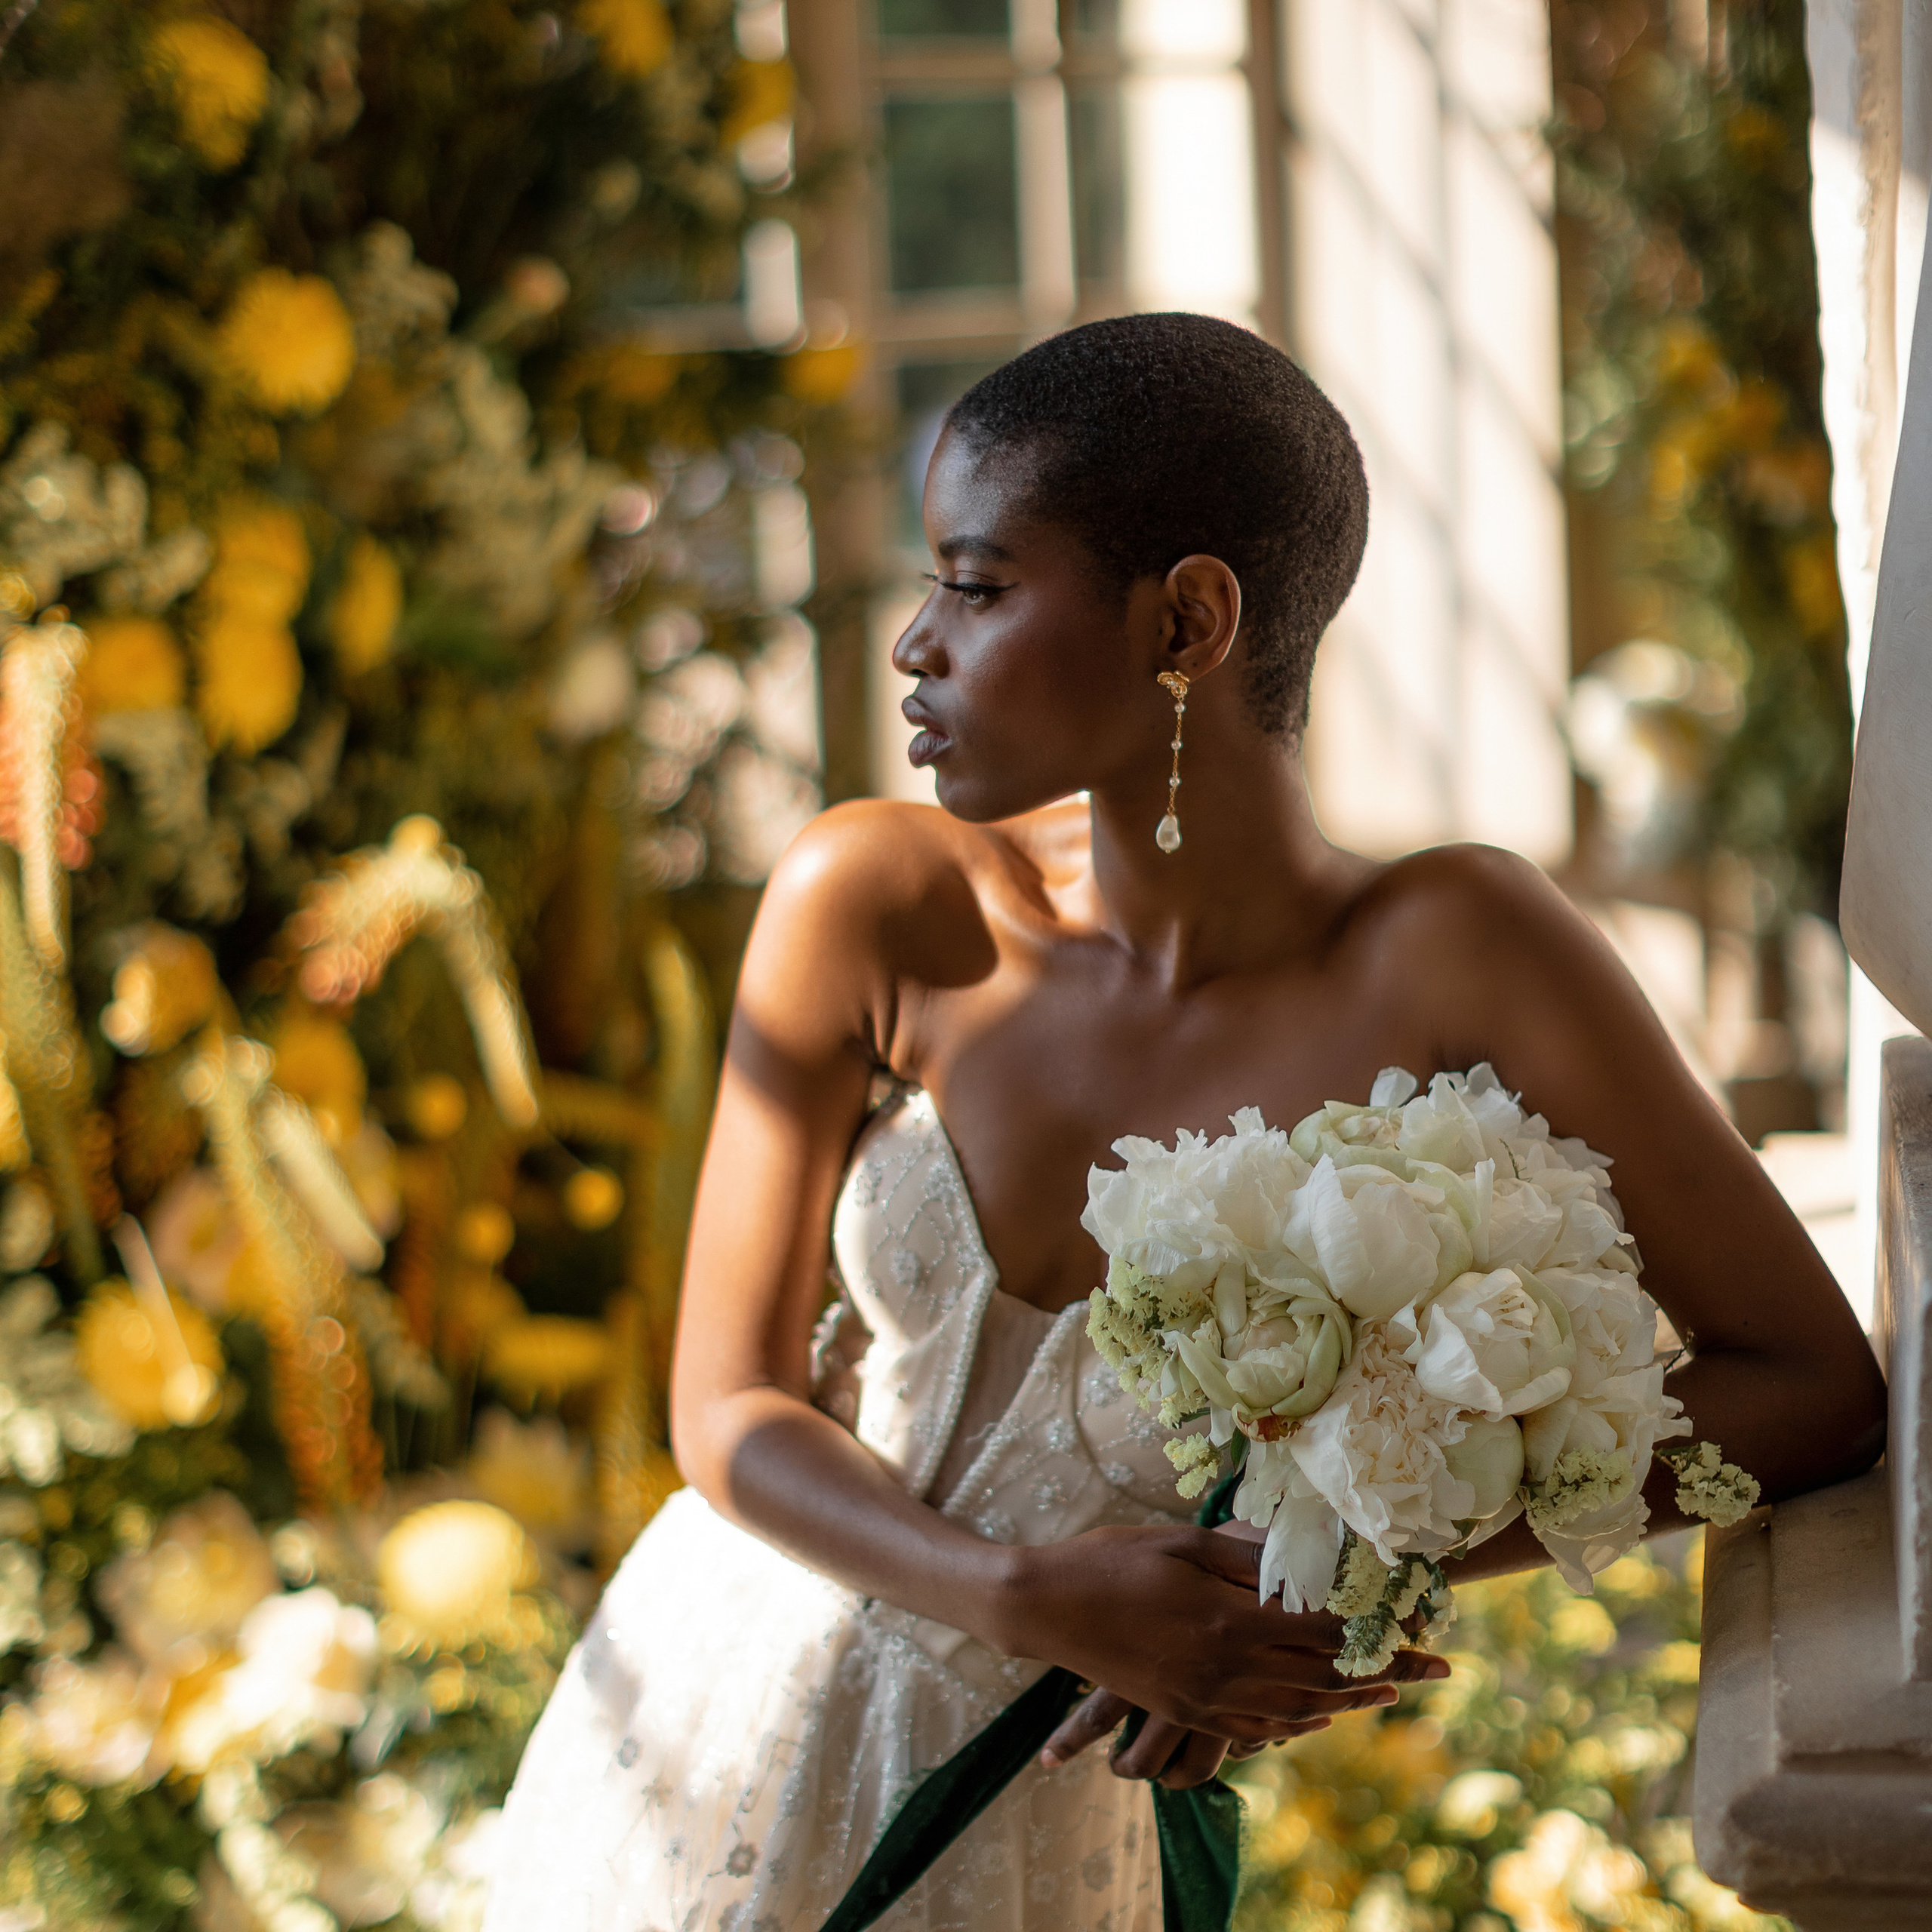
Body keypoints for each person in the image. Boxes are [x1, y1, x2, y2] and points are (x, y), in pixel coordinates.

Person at [481, 314, 1885, 1930]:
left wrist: (1334, 1579)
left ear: (1188, 618)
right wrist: (1017, 1592)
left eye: (978, 582)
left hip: (1067, 1823)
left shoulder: (1454, 950)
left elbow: (1807, 1385)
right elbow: (723, 1404)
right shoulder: (870, 900)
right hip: (708, 1746)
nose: (913, 644)